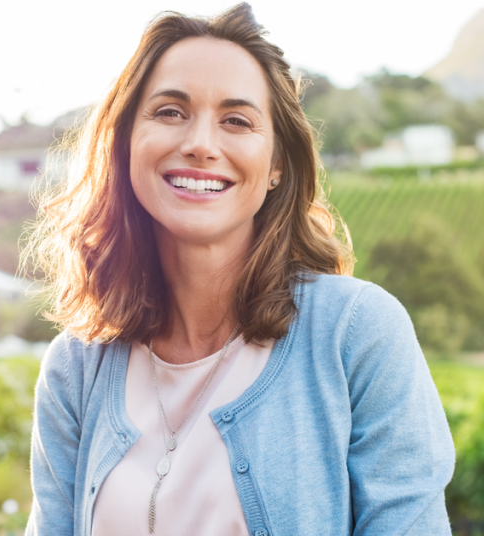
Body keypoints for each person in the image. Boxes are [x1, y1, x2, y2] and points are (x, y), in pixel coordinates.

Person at [22, 3, 455, 535]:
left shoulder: (356, 334)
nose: (201, 144)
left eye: (237, 121)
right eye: (170, 112)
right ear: (125, 144)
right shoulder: (76, 369)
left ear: (276, 164)